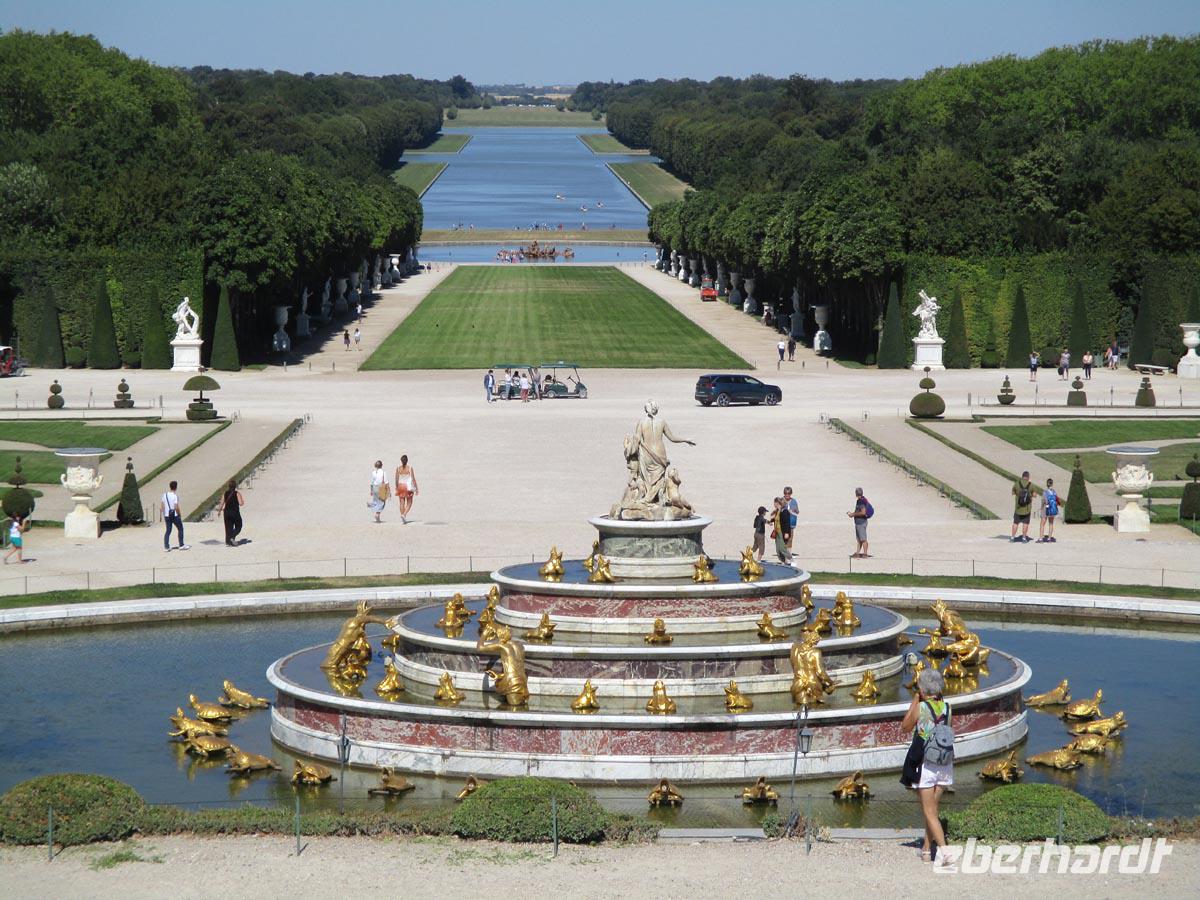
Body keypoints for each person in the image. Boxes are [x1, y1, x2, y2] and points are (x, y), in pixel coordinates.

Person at [900, 668, 952, 863]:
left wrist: (915, 700)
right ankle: (926, 849)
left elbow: (905, 726)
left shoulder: (921, 708)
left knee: (929, 811)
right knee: (932, 809)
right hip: (945, 762)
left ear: (922, 689)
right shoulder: (948, 707)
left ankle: (944, 851)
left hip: (926, 763)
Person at [216, 479, 244, 547]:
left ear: (229, 486)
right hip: (234, 512)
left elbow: (221, 503)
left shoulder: (225, 493)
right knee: (239, 525)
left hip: (226, 512)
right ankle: (232, 536)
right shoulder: (237, 493)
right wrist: (242, 501)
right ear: (235, 486)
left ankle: (228, 541)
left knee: (228, 527)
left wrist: (219, 511)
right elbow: (241, 503)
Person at [162, 480, 188, 551]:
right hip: (174, 515)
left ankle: (166, 547)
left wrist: (164, 515)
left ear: (170, 487)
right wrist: (179, 514)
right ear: (176, 487)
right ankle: (181, 545)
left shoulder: (165, 495)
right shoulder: (175, 496)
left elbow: (162, 506)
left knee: (168, 531)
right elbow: (176, 507)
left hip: (167, 515)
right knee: (180, 529)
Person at [394, 455, 418, 525]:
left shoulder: (398, 468)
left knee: (401, 502)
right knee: (409, 502)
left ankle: (403, 518)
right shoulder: (410, 468)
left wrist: (396, 487)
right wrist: (416, 488)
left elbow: (396, 479)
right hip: (408, 486)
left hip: (400, 485)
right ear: (407, 460)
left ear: (401, 461)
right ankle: (404, 515)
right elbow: (413, 479)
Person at [848, 487, 872, 558]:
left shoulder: (861, 501)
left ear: (856, 493)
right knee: (859, 539)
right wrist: (853, 513)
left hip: (861, 523)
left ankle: (865, 554)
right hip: (859, 522)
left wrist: (853, 514)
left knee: (863, 539)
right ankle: (857, 553)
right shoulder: (861, 500)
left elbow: (863, 512)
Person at [1011, 470, 1033, 542]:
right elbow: (1035, 495)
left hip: (1018, 508)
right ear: (1028, 477)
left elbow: (1012, 492)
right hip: (1027, 509)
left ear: (1022, 476)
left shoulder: (1017, 483)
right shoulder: (1030, 484)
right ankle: (1024, 538)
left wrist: (1018, 494)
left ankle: (1012, 537)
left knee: (1015, 523)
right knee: (1025, 523)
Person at [771, 497, 792, 565]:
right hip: (777, 531)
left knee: (782, 548)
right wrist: (772, 519)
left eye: (774, 502)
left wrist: (786, 533)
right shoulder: (777, 511)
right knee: (778, 549)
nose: (774, 504)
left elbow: (787, 523)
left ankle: (791, 559)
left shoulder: (784, 511)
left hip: (782, 532)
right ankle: (783, 562)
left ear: (777, 503)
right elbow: (776, 520)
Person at [1038, 477, 1059, 543]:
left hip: (1045, 509)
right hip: (1052, 509)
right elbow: (1056, 500)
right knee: (1051, 524)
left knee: (1042, 524)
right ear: (1052, 484)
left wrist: (1041, 507)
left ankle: (1041, 539)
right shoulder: (1054, 492)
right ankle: (1049, 538)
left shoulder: (1045, 492)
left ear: (1047, 484)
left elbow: (1045, 502)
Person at [783, 486, 799, 552]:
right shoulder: (781, 500)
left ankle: (789, 553)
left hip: (791, 523)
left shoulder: (794, 501)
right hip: (784, 523)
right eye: (786, 493)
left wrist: (795, 510)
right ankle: (783, 553)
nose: (787, 495)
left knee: (790, 538)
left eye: (789, 493)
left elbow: (797, 512)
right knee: (784, 538)